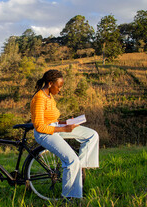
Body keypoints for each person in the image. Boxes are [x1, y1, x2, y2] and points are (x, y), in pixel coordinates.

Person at [30, 69, 99, 199]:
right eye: (59, 86)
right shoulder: (39, 98)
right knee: (71, 161)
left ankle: (80, 168)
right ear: (50, 83)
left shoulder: (49, 97)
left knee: (92, 135)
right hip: (45, 133)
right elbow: (39, 126)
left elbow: (52, 119)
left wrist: (67, 122)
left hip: (56, 127)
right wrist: (65, 129)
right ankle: (69, 198)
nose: (60, 90)